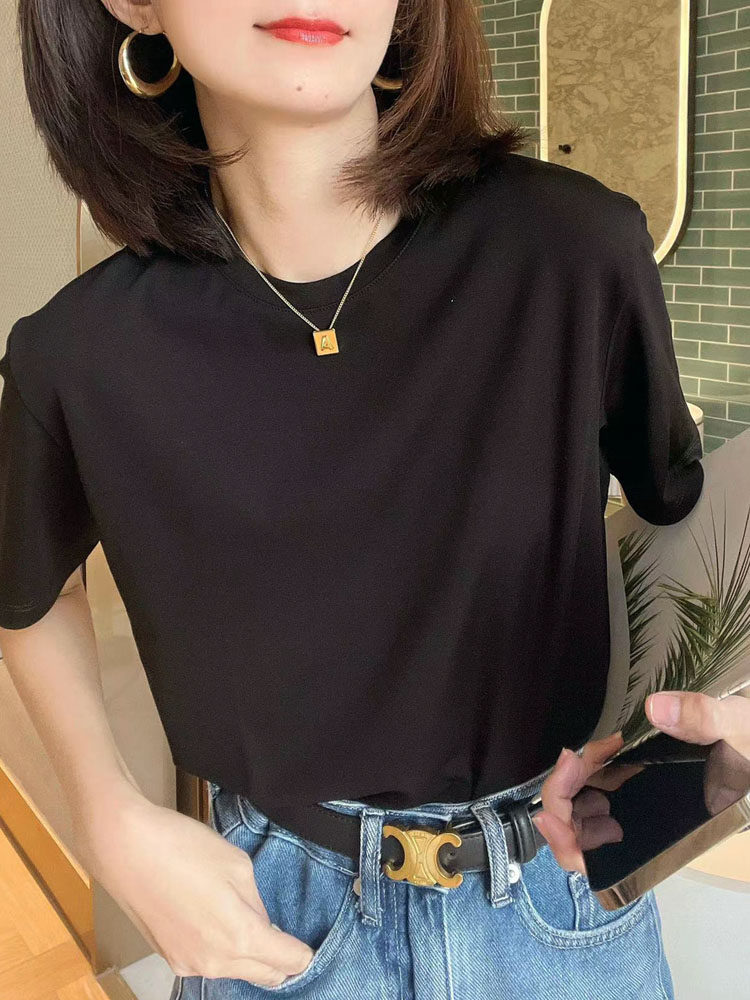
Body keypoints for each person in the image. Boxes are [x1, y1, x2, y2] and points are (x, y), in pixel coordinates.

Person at [1, 1, 748, 997]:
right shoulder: (80, 353)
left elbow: (689, 520)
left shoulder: (575, 249)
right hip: (277, 927)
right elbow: (28, 585)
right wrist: (108, 816)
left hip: (561, 896)